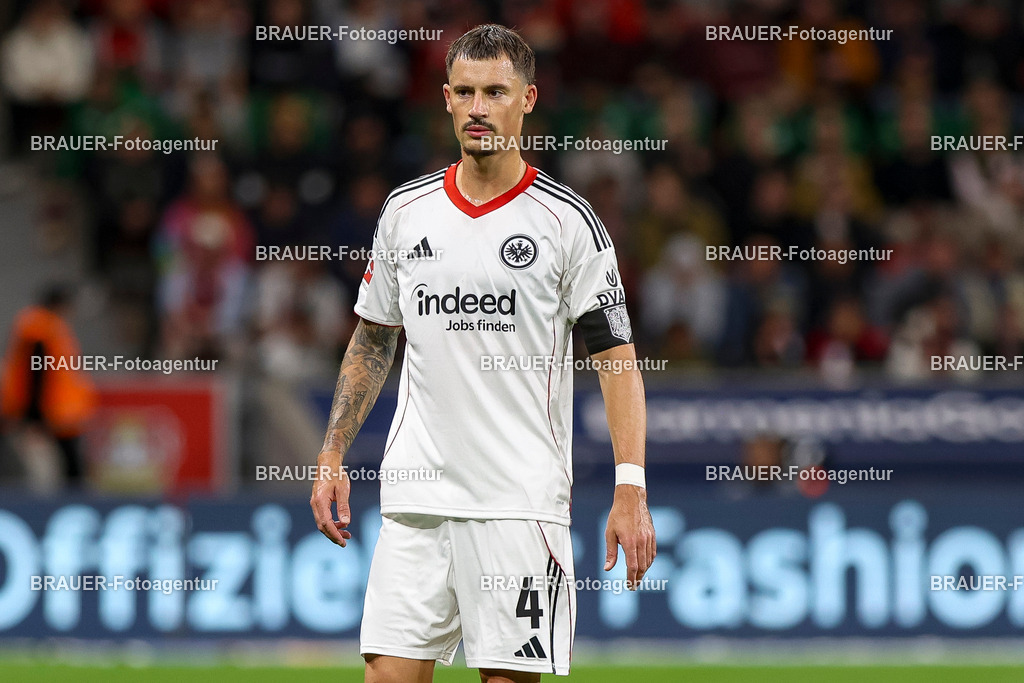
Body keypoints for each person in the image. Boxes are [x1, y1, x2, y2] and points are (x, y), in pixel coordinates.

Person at [309, 24, 655, 683]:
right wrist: (331, 453)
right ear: (444, 99)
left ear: (528, 98)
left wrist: (630, 486)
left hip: (518, 503)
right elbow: (372, 337)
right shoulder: (406, 212)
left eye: (494, 92)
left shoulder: (567, 222)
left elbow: (616, 358)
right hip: (415, 495)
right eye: (464, 92)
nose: (478, 108)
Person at [0, 285, 97, 485]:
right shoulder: (40, 329)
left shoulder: (49, 327)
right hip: (48, 414)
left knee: (70, 467)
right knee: (49, 473)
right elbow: (36, 375)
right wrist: (33, 417)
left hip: (58, 414)